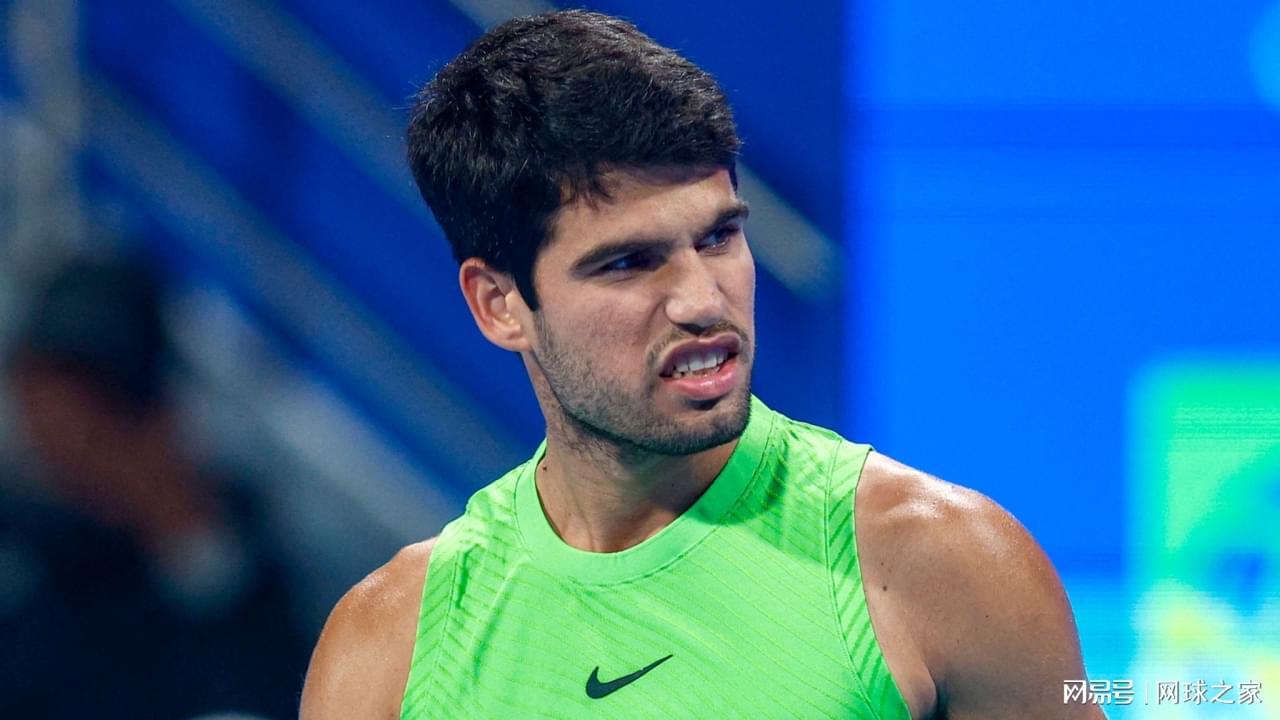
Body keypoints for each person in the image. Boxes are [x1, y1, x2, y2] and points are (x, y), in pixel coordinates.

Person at [302, 10, 1104, 719]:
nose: (700, 299)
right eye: (629, 262)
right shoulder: (388, 645)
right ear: (499, 304)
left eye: (719, 236)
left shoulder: (943, 563)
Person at [1, 256, 311, 719]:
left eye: (82, 439)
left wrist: (184, 536)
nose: (48, 463)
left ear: (149, 428)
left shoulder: (223, 561)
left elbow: (255, 690)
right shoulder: (25, 529)